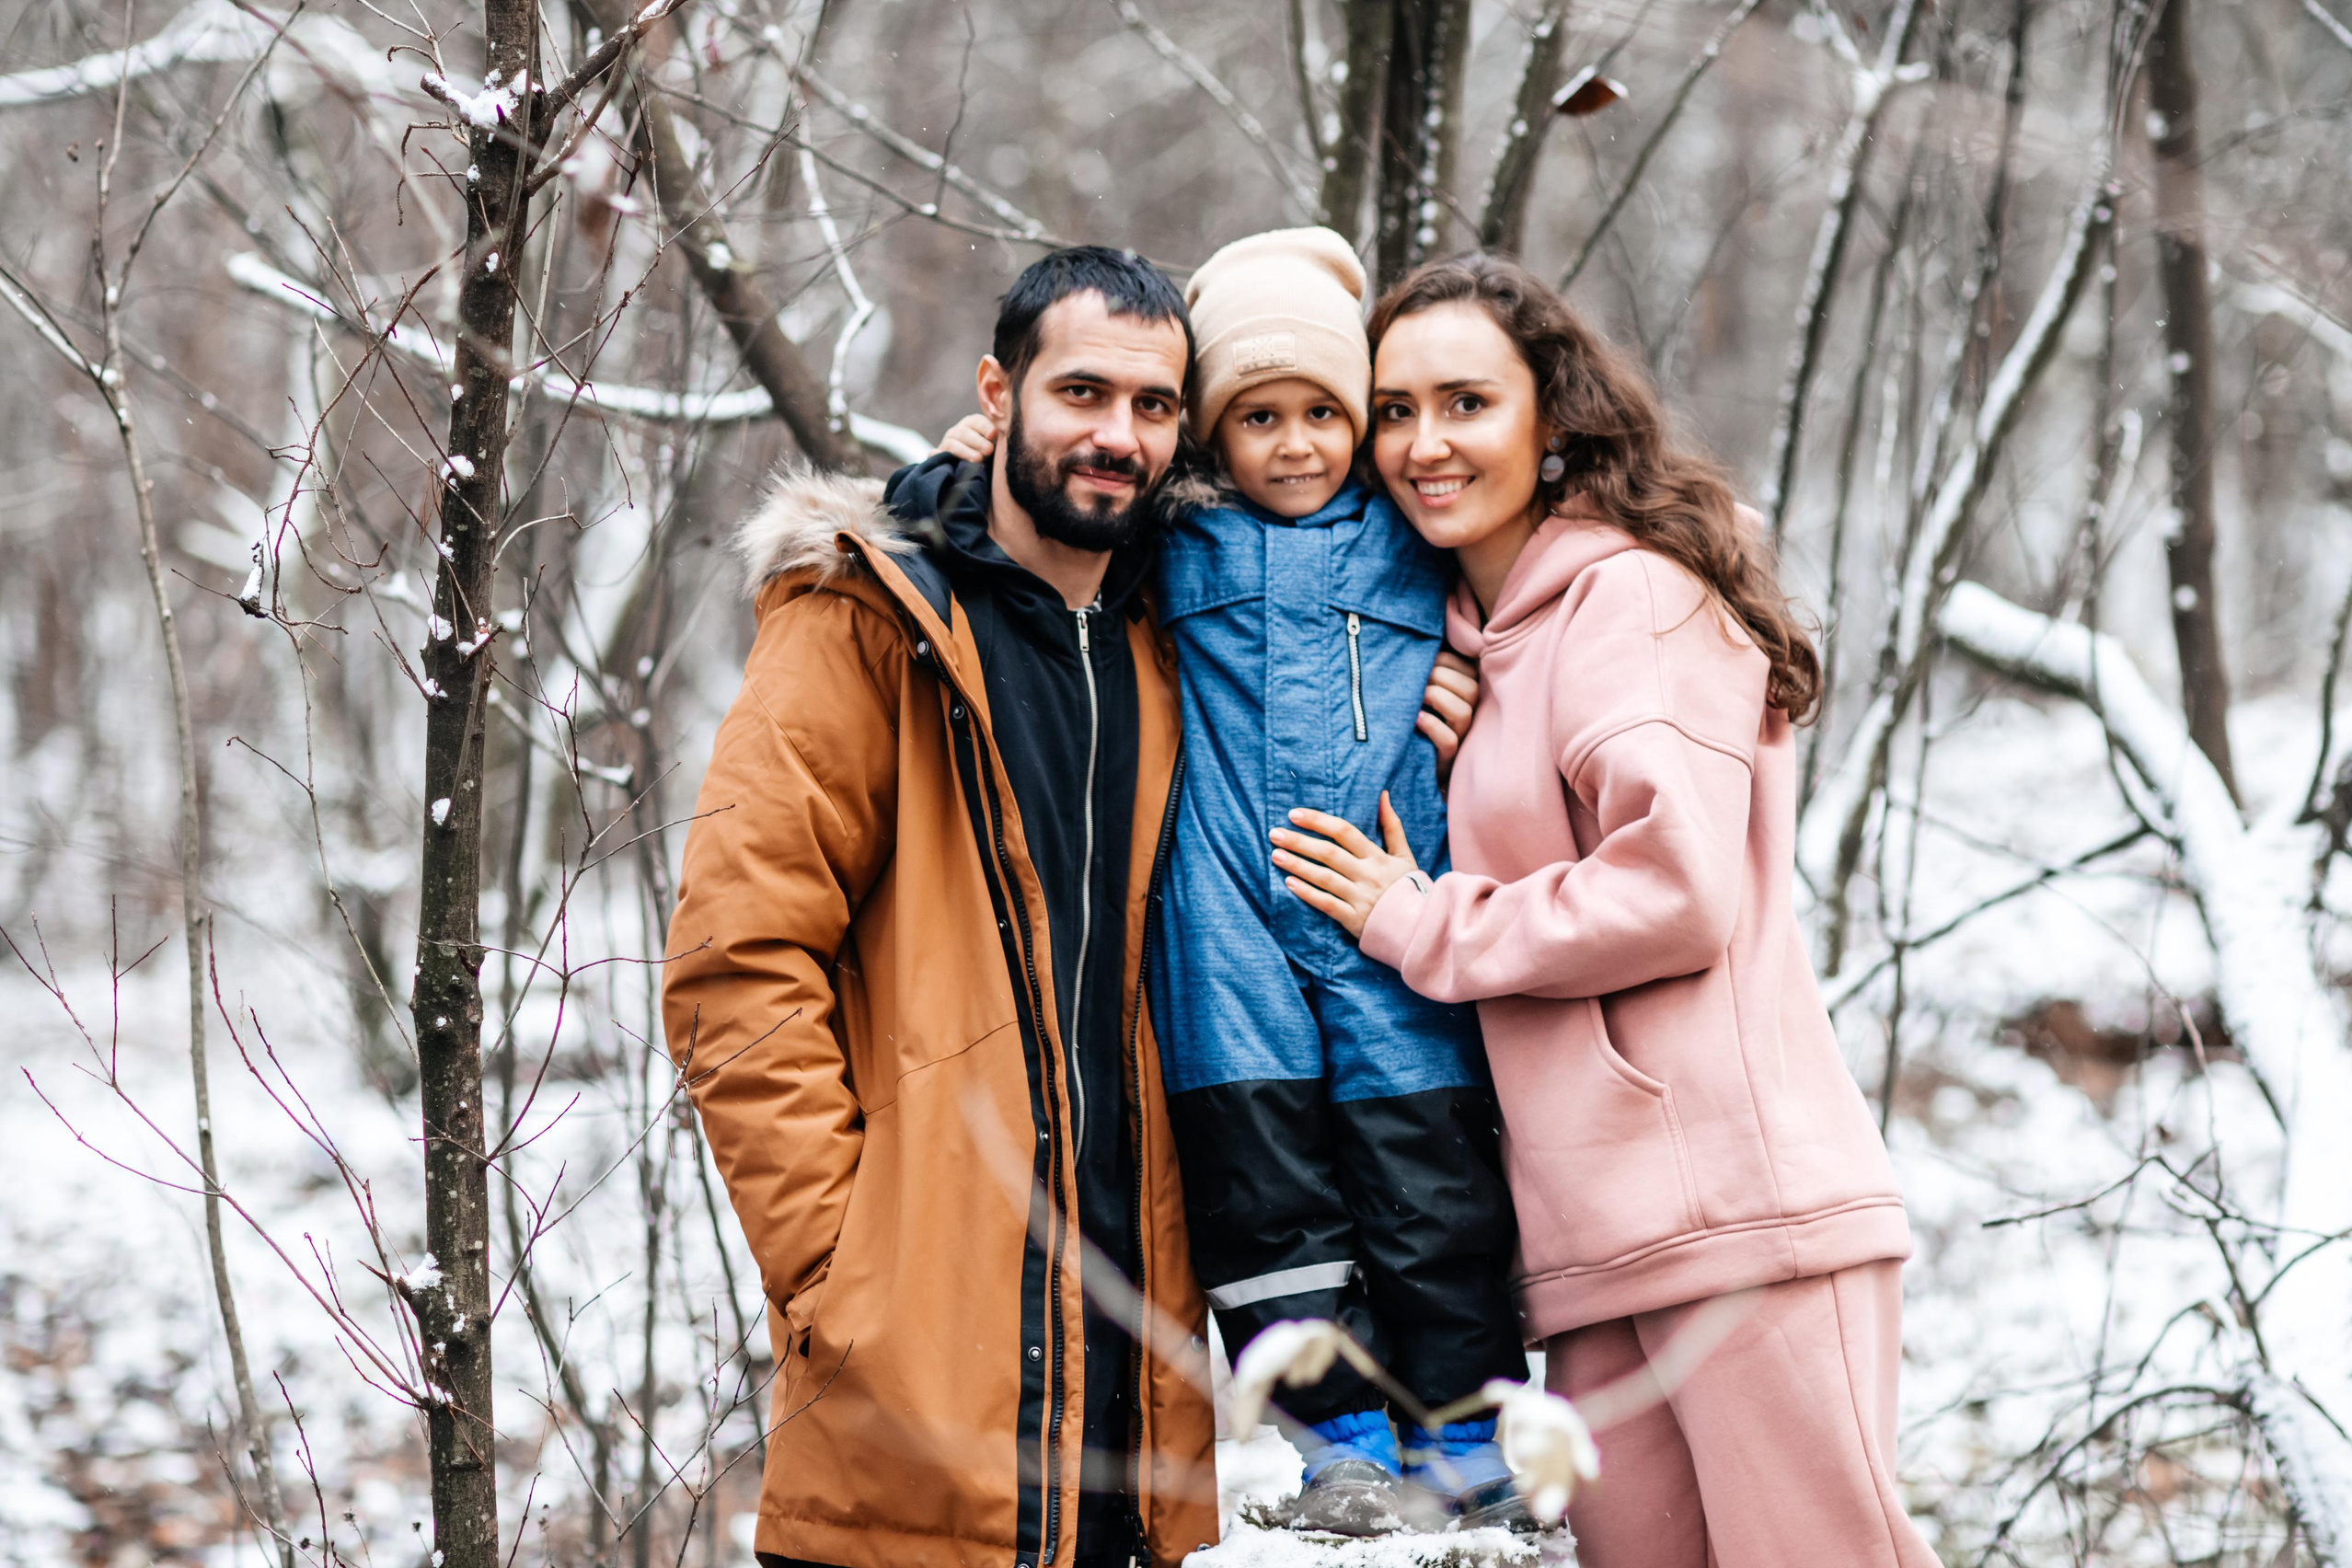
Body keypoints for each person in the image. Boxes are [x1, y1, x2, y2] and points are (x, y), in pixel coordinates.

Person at [1270, 254, 1935, 1567]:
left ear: (1553, 417)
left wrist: (1424, 919)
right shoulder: (1472, 638)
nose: (1422, 444)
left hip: (1742, 1222)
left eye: (1465, 401)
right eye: (1393, 410)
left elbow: (1676, 891)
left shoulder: (1630, 595)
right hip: (1591, 1250)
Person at [937, 227, 1527, 1536]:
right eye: (1260, 417)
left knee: (1428, 1173)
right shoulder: (1174, 540)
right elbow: (1050, 513)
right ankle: (1345, 1447)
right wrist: (970, 456)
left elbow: (1529, 612)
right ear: (1215, 433)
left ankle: (1471, 1428)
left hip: (1387, 902)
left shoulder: (1415, 538)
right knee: (1267, 1192)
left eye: (1328, 412)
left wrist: (1487, 697)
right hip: (1225, 924)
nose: (1300, 445)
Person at [663, 246, 1218, 1568]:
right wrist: (840, 1284)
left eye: (1153, 407)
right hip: (907, 1418)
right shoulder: (869, 614)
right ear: (998, 390)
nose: (1117, 436)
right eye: (1082, 392)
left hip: (1133, 1428)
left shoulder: (1183, 637)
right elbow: (737, 962)